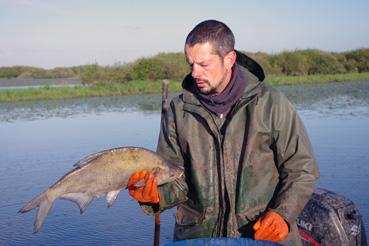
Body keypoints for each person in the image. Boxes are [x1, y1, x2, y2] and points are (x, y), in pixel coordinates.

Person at [128, 20, 319, 245]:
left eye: (203, 64)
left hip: (261, 236)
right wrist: (155, 196)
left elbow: (302, 170)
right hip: (198, 238)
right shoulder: (178, 110)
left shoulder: (272, 103)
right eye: (191, 64)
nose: (195, 73)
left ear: (229, 59)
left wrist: (283, 215)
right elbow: (176, 179)